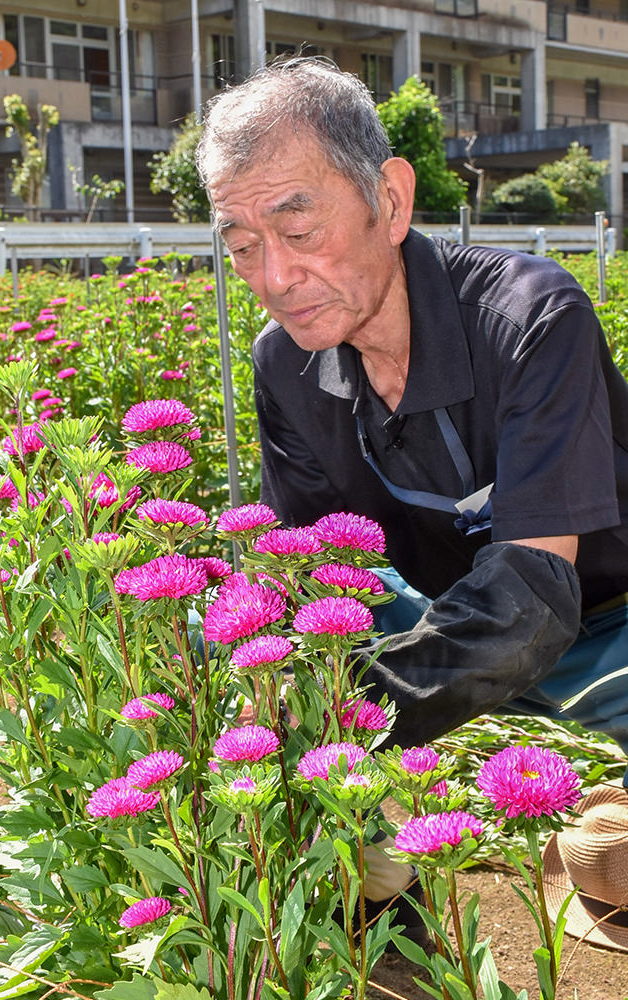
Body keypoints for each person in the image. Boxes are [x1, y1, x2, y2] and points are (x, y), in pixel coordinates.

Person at [195, 55, 628, 924]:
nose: (274, 278)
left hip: (601, 617)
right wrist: (281, 695)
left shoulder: (531, 316)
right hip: (438, 615)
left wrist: (340, 725)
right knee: (243, 662)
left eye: (299, 227)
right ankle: (373, 887)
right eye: (243, 248)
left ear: (389, 200)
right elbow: (314, 573)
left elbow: (536, 600)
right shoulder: (285, 365)